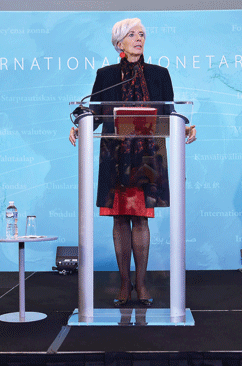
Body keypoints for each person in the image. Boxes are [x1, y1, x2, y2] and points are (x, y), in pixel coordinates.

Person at [69, 18, 196, 307]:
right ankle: (124, 284)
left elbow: (169, 113)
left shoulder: (159, 74)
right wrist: (80, 123)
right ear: (119, 43)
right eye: (131, 34)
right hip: (115, 155)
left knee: (140, 218)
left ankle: (141, 284)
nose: (138, 38)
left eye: (142, 34)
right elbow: (95, 112)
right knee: (119, 218)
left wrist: (186, 125)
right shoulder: (106, 75)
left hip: (146, 156)